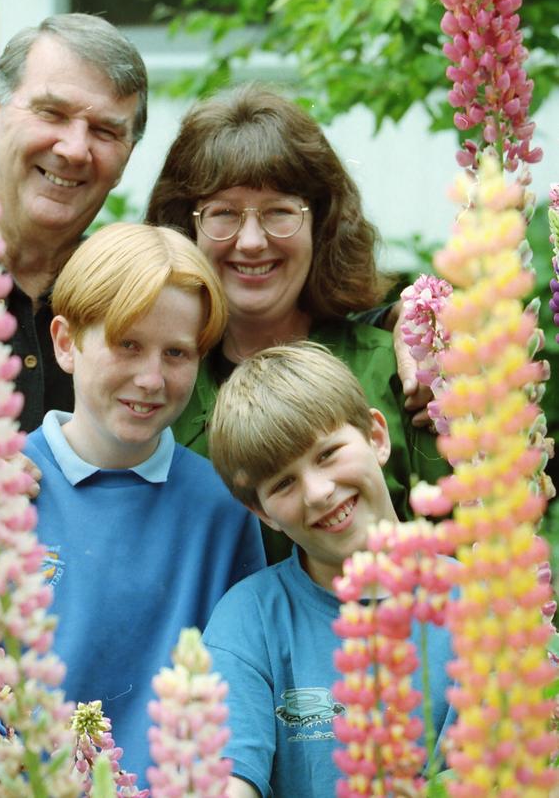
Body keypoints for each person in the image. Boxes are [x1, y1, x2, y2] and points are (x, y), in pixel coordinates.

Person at [145, 84, 447, 560]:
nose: (250, 242)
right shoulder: (154, 389)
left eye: (279, 213)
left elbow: (469, 547)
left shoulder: (397, 373)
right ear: (187, 228)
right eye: (222, 214)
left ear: (320, 224)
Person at [23, 222, 266, 783]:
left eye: (177, 353)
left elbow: (245, 675)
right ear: (65, 343)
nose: (151, 378)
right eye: (127, 344)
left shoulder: (221, 507)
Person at [202, 342, 456, 798]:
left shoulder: (478, 599)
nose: (318, 492)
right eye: (283, 483)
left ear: (377, 437)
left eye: (327, 454)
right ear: (263, 514)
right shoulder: (248, 620)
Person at [0, 12, 147, 442]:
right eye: (52, 113)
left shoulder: (131, 303)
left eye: (105, 131)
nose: (75, 150)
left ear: (126, 159)